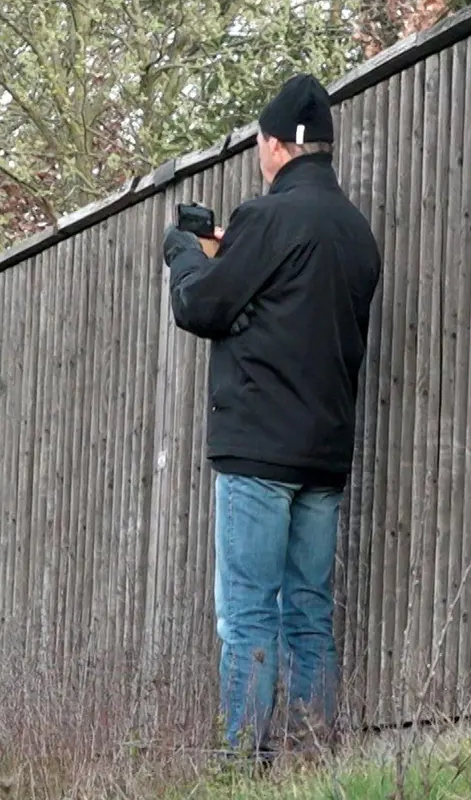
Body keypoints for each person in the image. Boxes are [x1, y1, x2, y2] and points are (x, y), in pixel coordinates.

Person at [162, 73, 383, 757]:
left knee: (249, 614)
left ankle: (241, 764)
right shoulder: (356, 232)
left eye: (261, 144)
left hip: (258, 452)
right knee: (309, 613)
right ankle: (313, 759)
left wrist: (183, 256)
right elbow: (292, 306)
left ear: (280, 146)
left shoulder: (267, 219)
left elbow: (202, 307)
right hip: (324, 455)